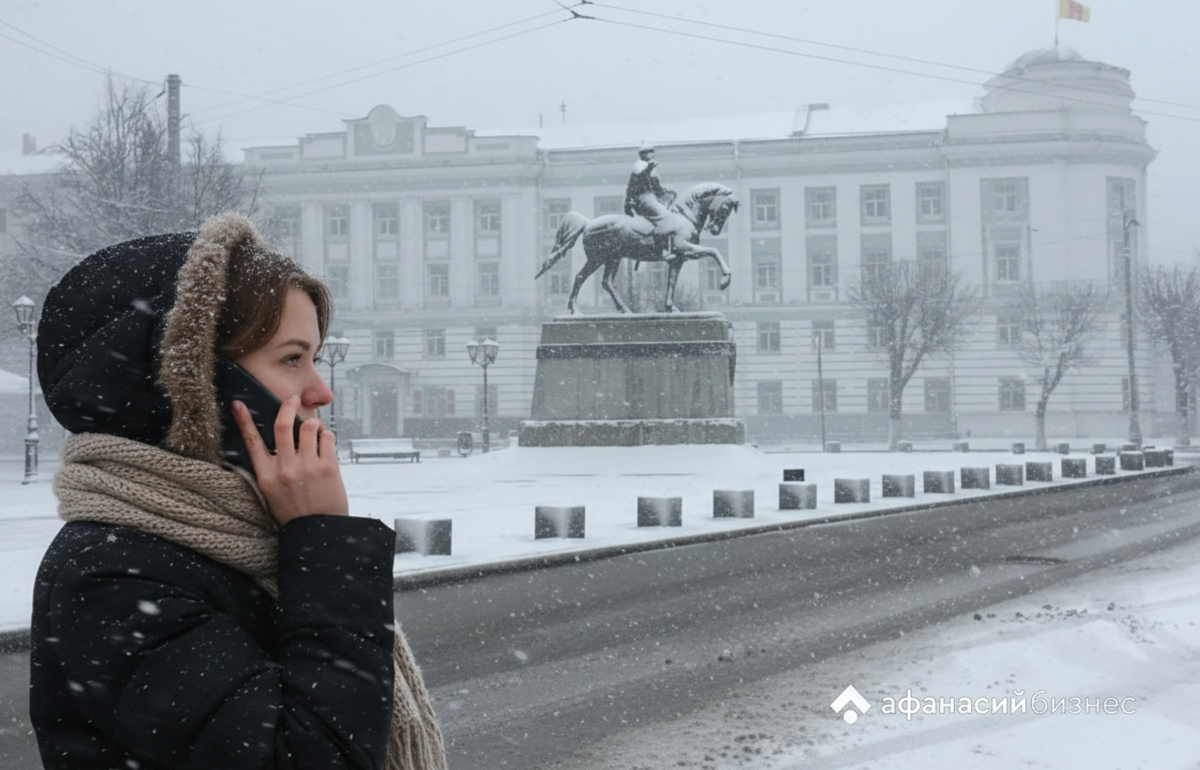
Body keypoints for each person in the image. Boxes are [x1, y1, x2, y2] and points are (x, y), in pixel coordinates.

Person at [29, 212, 446, 770]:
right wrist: (323, 542)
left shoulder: (238, 537)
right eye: (292, 359)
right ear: (196, 383)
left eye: (316, 358)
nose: (321, 391)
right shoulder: (111, 576)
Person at [623, 143, 677, 258]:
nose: (650, 155)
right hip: (641, 199)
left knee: (672, 213)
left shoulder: (652, 170)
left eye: (651, 152)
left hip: (651, 198)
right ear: (642, 155)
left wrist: (668, 191)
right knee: (664, 216)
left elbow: (657, 190)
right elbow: (640, 173)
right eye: (647, 153)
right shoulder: (639, 165)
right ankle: (660, 250)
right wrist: (649, 167)